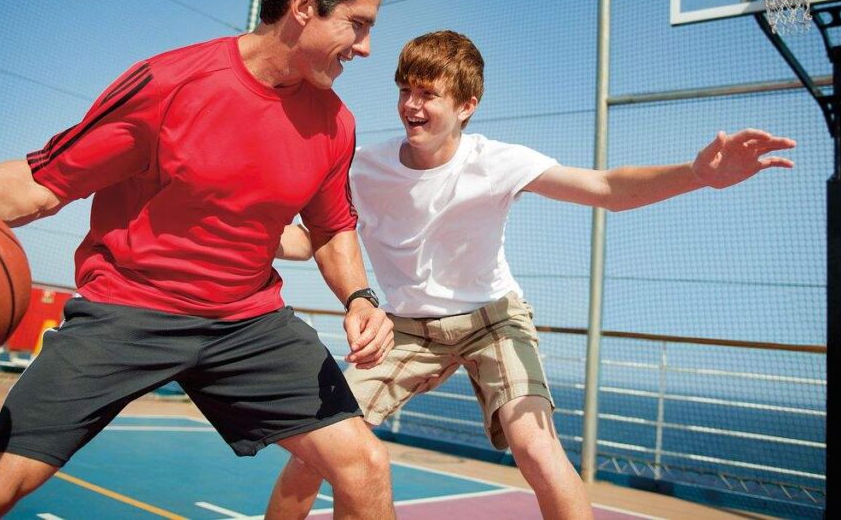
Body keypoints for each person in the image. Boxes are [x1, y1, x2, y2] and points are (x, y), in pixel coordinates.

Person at [0, 0, 399, 520]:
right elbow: (45, 181)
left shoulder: (335, 123)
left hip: (245, 321)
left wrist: (360, 297)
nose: (366, 48)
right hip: (129, 307)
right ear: (303, 6)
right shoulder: (170, 85)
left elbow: (331, 225)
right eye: (358, 24)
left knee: (364, 465)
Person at [266, 30, 797, 520]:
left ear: (467, 106)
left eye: (427, 93)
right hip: (403, 326)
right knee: (323, 444)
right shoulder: (364, 166)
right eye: (405, 89)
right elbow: (314, 236)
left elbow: (608, 188)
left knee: (536, 447)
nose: (411, 104)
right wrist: (243, 237)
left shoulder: (498, 161)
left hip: (492, 320)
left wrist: (698, 174)